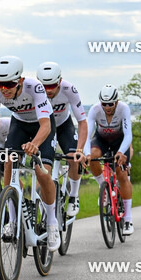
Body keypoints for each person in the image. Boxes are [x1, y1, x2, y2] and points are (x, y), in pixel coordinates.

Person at [0, 56, 61, 252]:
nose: (4, 89)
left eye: (9, 84)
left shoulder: (35, 88)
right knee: (8, 162)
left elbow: (45, 125)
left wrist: (34, 144)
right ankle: (14, 220)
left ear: (20, 81)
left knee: (42, 173)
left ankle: (52, 223)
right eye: (1, 84)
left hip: (43, 125)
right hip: (20, 124)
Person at [36, 61, 87, 219]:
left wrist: (80, 150)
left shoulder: (69, 89)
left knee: (73, 157)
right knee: (42, 169)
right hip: (43, 127)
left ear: (60, 81)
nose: (48, 90)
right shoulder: (35, 91)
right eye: (45, 86)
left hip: (63, 125)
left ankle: (73, 196)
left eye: (52, 85)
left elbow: (82, 122)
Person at [81, 85, 135, 235]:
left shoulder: (124, 109)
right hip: (102, 140)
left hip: (120, 141)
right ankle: (103, 187)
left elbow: (128, 134)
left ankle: (128, 219)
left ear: (116, 102)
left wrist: (120, 152)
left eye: (110, 104)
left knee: (122, 174)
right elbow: (87, 133)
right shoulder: (95, 110)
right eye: (104, 104)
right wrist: (87, 154)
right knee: (93, 156)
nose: (107, 107)